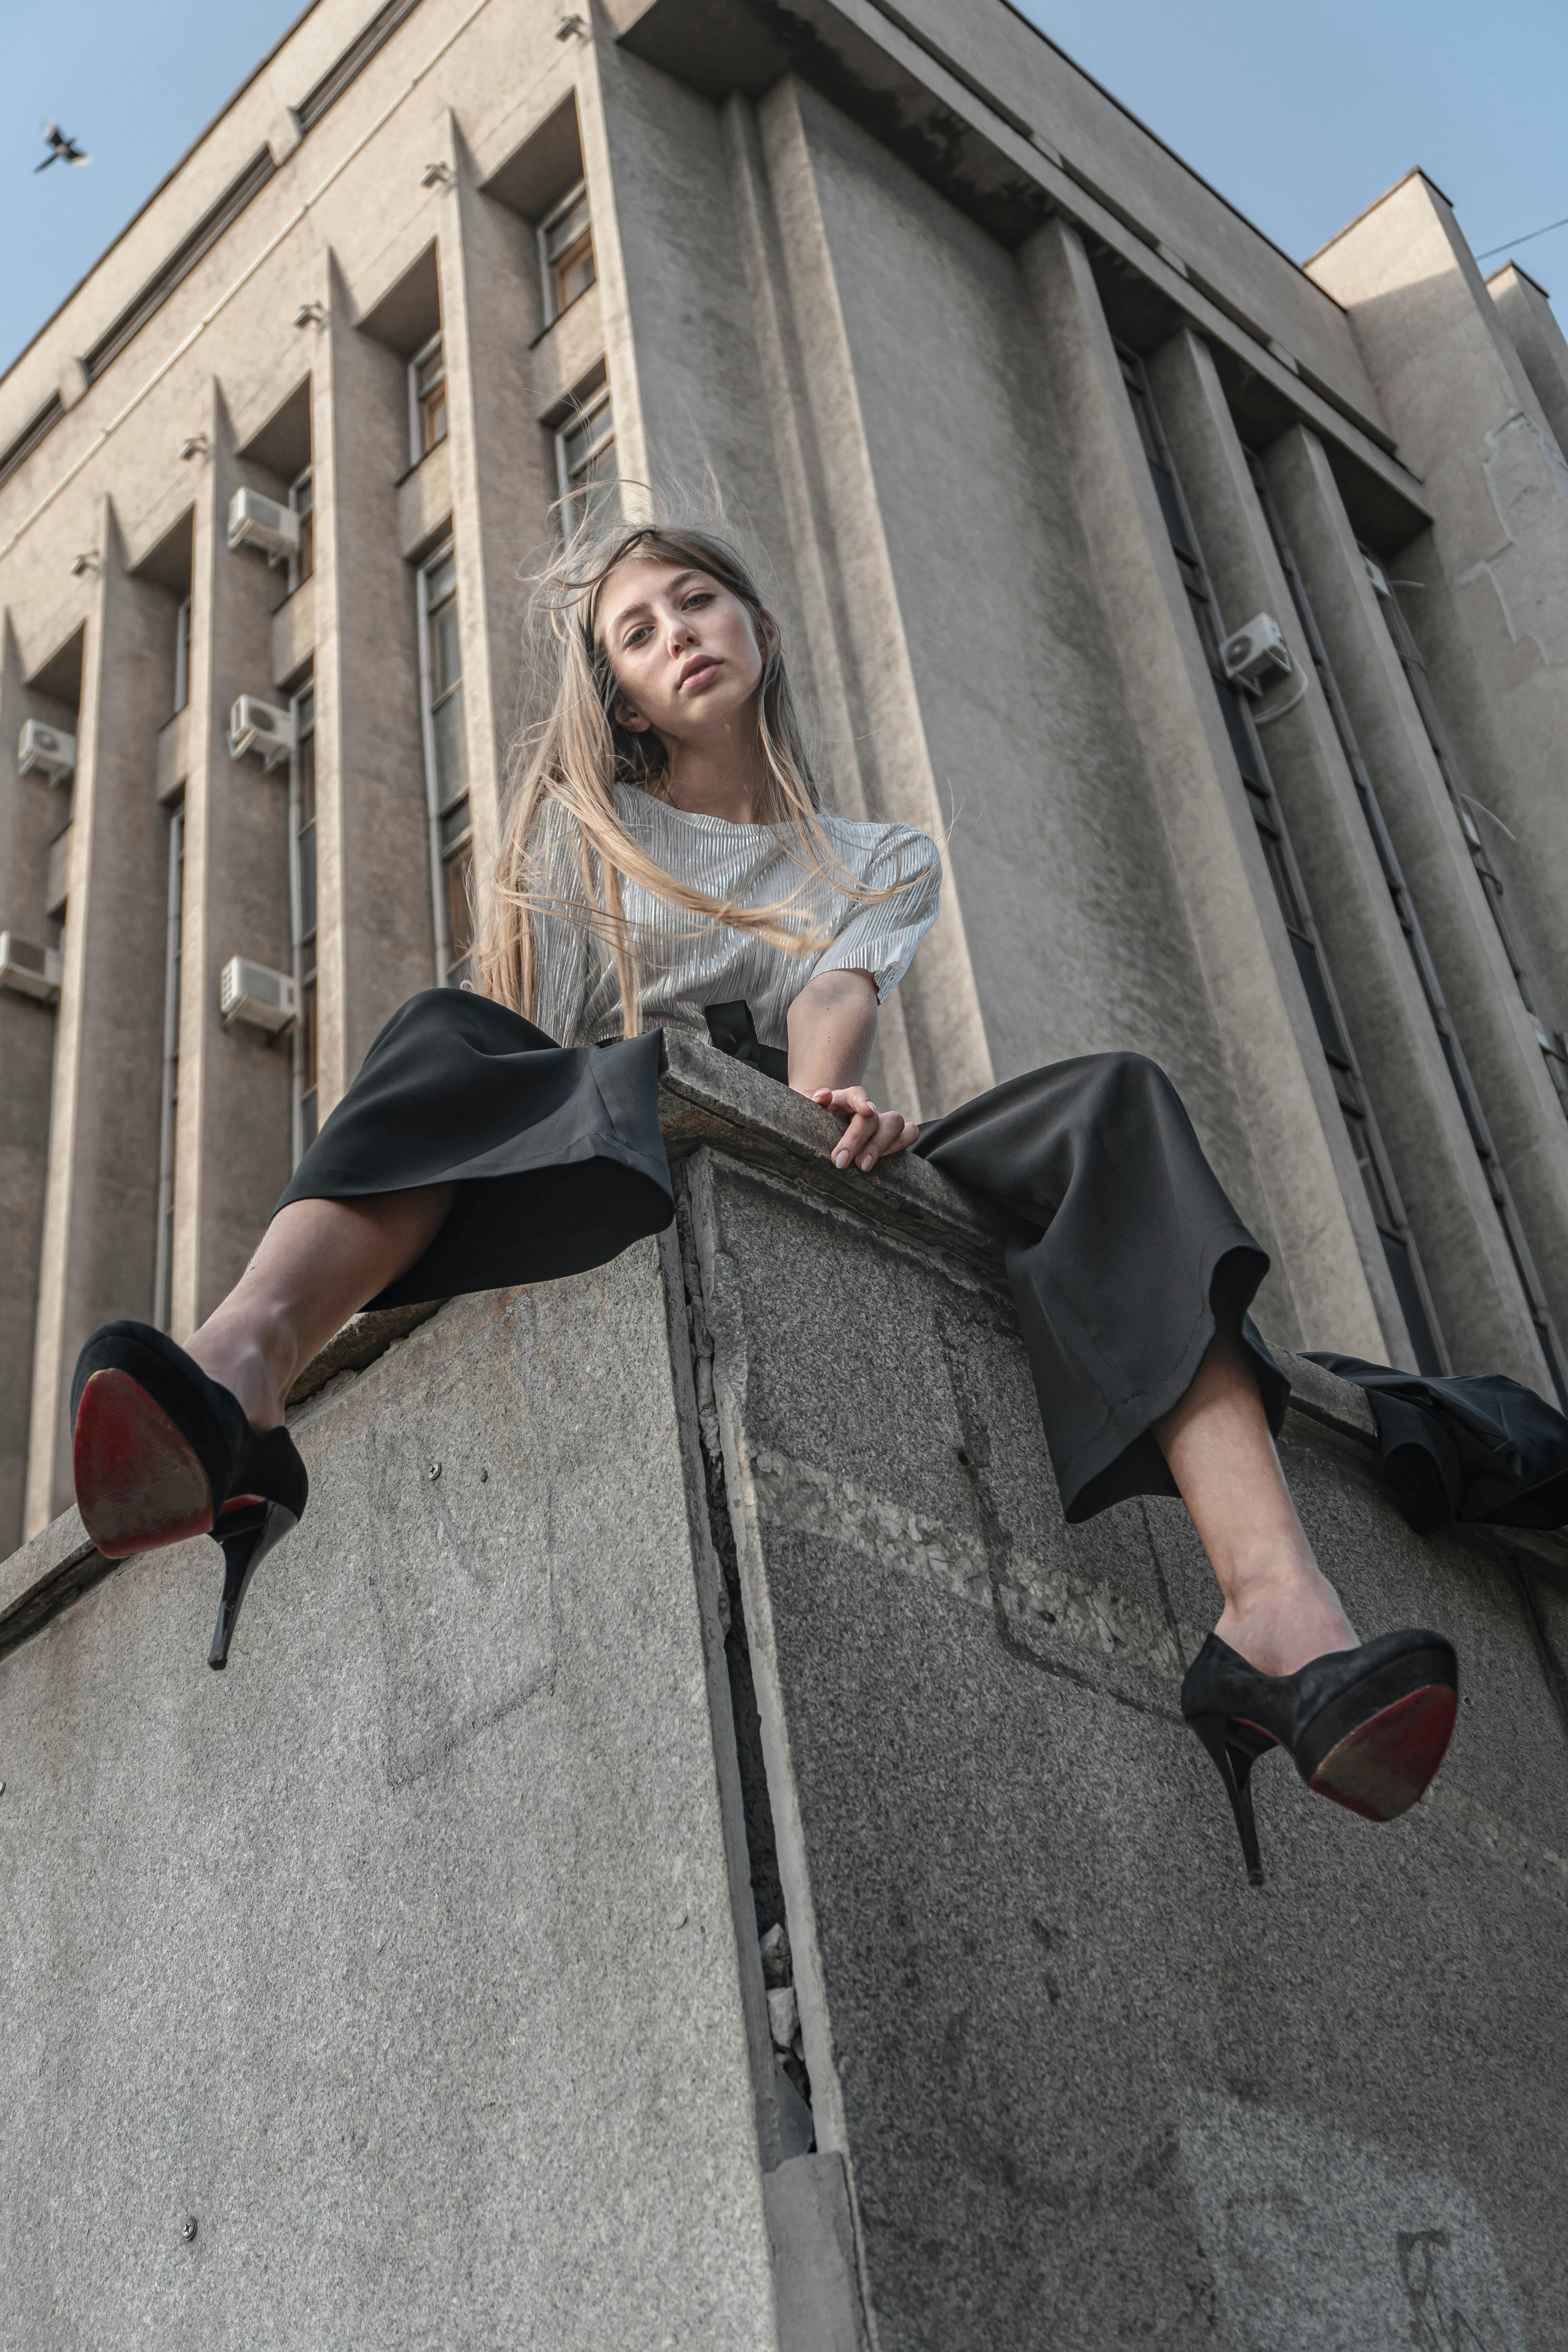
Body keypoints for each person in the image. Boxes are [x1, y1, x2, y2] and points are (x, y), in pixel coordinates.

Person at [69, 519, 1457, 1882]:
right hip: (606, 1143)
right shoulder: (583, 840)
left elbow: (830, 1008)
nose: (678, 635)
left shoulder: (876, 857)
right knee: (448, 1032)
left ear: (760, 629)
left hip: (808, 1121)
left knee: (1115, 1100)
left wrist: (830, 1102)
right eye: (639, 630)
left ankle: (1278, 1619)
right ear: (618, 690)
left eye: (697, 603)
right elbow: (515, 1060)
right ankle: (241, 1366)